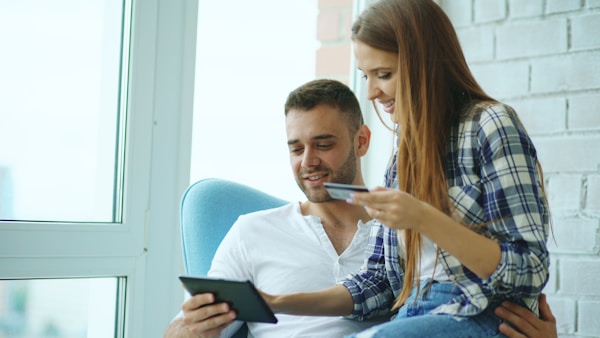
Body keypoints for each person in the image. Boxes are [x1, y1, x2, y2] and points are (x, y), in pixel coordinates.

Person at [262, 1, 552, 337]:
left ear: (425, 65)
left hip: (478, 313)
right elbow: (380, 284)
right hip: (414, 311)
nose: (371, 92)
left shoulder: (490, 125)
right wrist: (278, 301)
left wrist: (422, 217)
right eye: (366, 76)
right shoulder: (403, 153)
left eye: (384, 75)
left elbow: (530, 268)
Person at [165, 79, 384, 338]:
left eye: (323, 145)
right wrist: (196, 329)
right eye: (296, 149)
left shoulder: (398, 232)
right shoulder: (252, 231)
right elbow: (183, 327)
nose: (308, 161)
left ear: (361, 141)